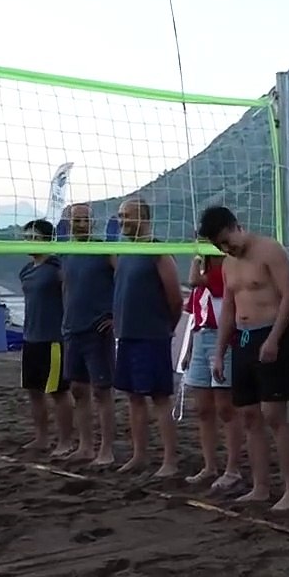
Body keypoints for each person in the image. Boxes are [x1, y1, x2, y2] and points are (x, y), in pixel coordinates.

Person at [200, 205, 289, 512]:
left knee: (275, 414)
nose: (226, 247)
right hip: (243, 338)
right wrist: (219, 352)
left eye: (226, 240)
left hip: (271, 333)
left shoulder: (269, 250)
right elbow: (229, 308)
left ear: (237, 226)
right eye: (219, 245)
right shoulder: (229, 264)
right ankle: (260, 486)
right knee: (247, 415)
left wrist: (274, 338)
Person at [113, 198, 184, 477]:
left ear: (144, 218)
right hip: (127, 335)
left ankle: (169, 461)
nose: (122, 221)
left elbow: (176, 299)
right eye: (120, 216)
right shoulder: (124, 251)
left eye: (127, 216)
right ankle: (139, 455)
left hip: (152, 335)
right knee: (133, 397)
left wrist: (166, 327)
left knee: (160, 398)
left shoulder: (157, 251)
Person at [179, 250, 245, 493]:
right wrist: (187, 351)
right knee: (203, 408)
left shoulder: (223, 272)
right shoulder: (208, 279)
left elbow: (194, 279)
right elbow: (195, 317)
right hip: (201, 337)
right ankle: (210, 466)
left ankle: (233, 468)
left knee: (225, 407)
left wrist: (196, 258)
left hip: (223, 337)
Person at [59, 204, 118, 466]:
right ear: (70, 223)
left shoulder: (105, 249)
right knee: (78, 390)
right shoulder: (67, 252)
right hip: (72, 329)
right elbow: (66, 289)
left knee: (102, 392)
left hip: (97, 331)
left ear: (92, 222)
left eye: (85, 219)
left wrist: (115, 315)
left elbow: (123, 281)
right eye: (76, 220)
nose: (81, 223)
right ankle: (85, 446)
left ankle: (106, 450)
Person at [18, 219, 74, 457]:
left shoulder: (57, 268)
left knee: (59, 392)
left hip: (53, 338)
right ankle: (41, 438)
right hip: (31, 337)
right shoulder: (26, 270)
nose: (29, 242)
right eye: (26, 237)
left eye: (34, 237)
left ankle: (66, 441)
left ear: (47, 239)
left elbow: (70, 297)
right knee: (34, 390)